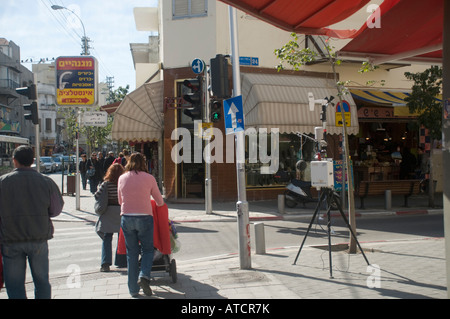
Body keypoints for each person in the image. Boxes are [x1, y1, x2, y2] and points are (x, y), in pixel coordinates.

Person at [0, 146, 64, 299]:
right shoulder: (46, 181)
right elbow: (56, 209)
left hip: (11, 238)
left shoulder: (3, 182)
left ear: (14, 161)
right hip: (39, 237)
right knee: (42, 281)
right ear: (33, 161)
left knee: (14, 284)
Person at [118, 152, 164, 297]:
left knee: (131, 254)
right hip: (145, 217)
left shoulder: (122, 178)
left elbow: (120, 201)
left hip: (127, 217)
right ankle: (144, 275)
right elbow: (159, 201)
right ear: (144, 163)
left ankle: (133, 290)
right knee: (148, 250)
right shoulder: (149, 178)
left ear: (129, 162)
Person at [94, 163, 125, 272]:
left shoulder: (106, 184)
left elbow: (97, 195)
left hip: (108, 211)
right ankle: (121, 261)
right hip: (121, 211)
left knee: (107, 238)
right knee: (121, 237)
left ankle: (105, 263)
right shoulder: (123, 183)